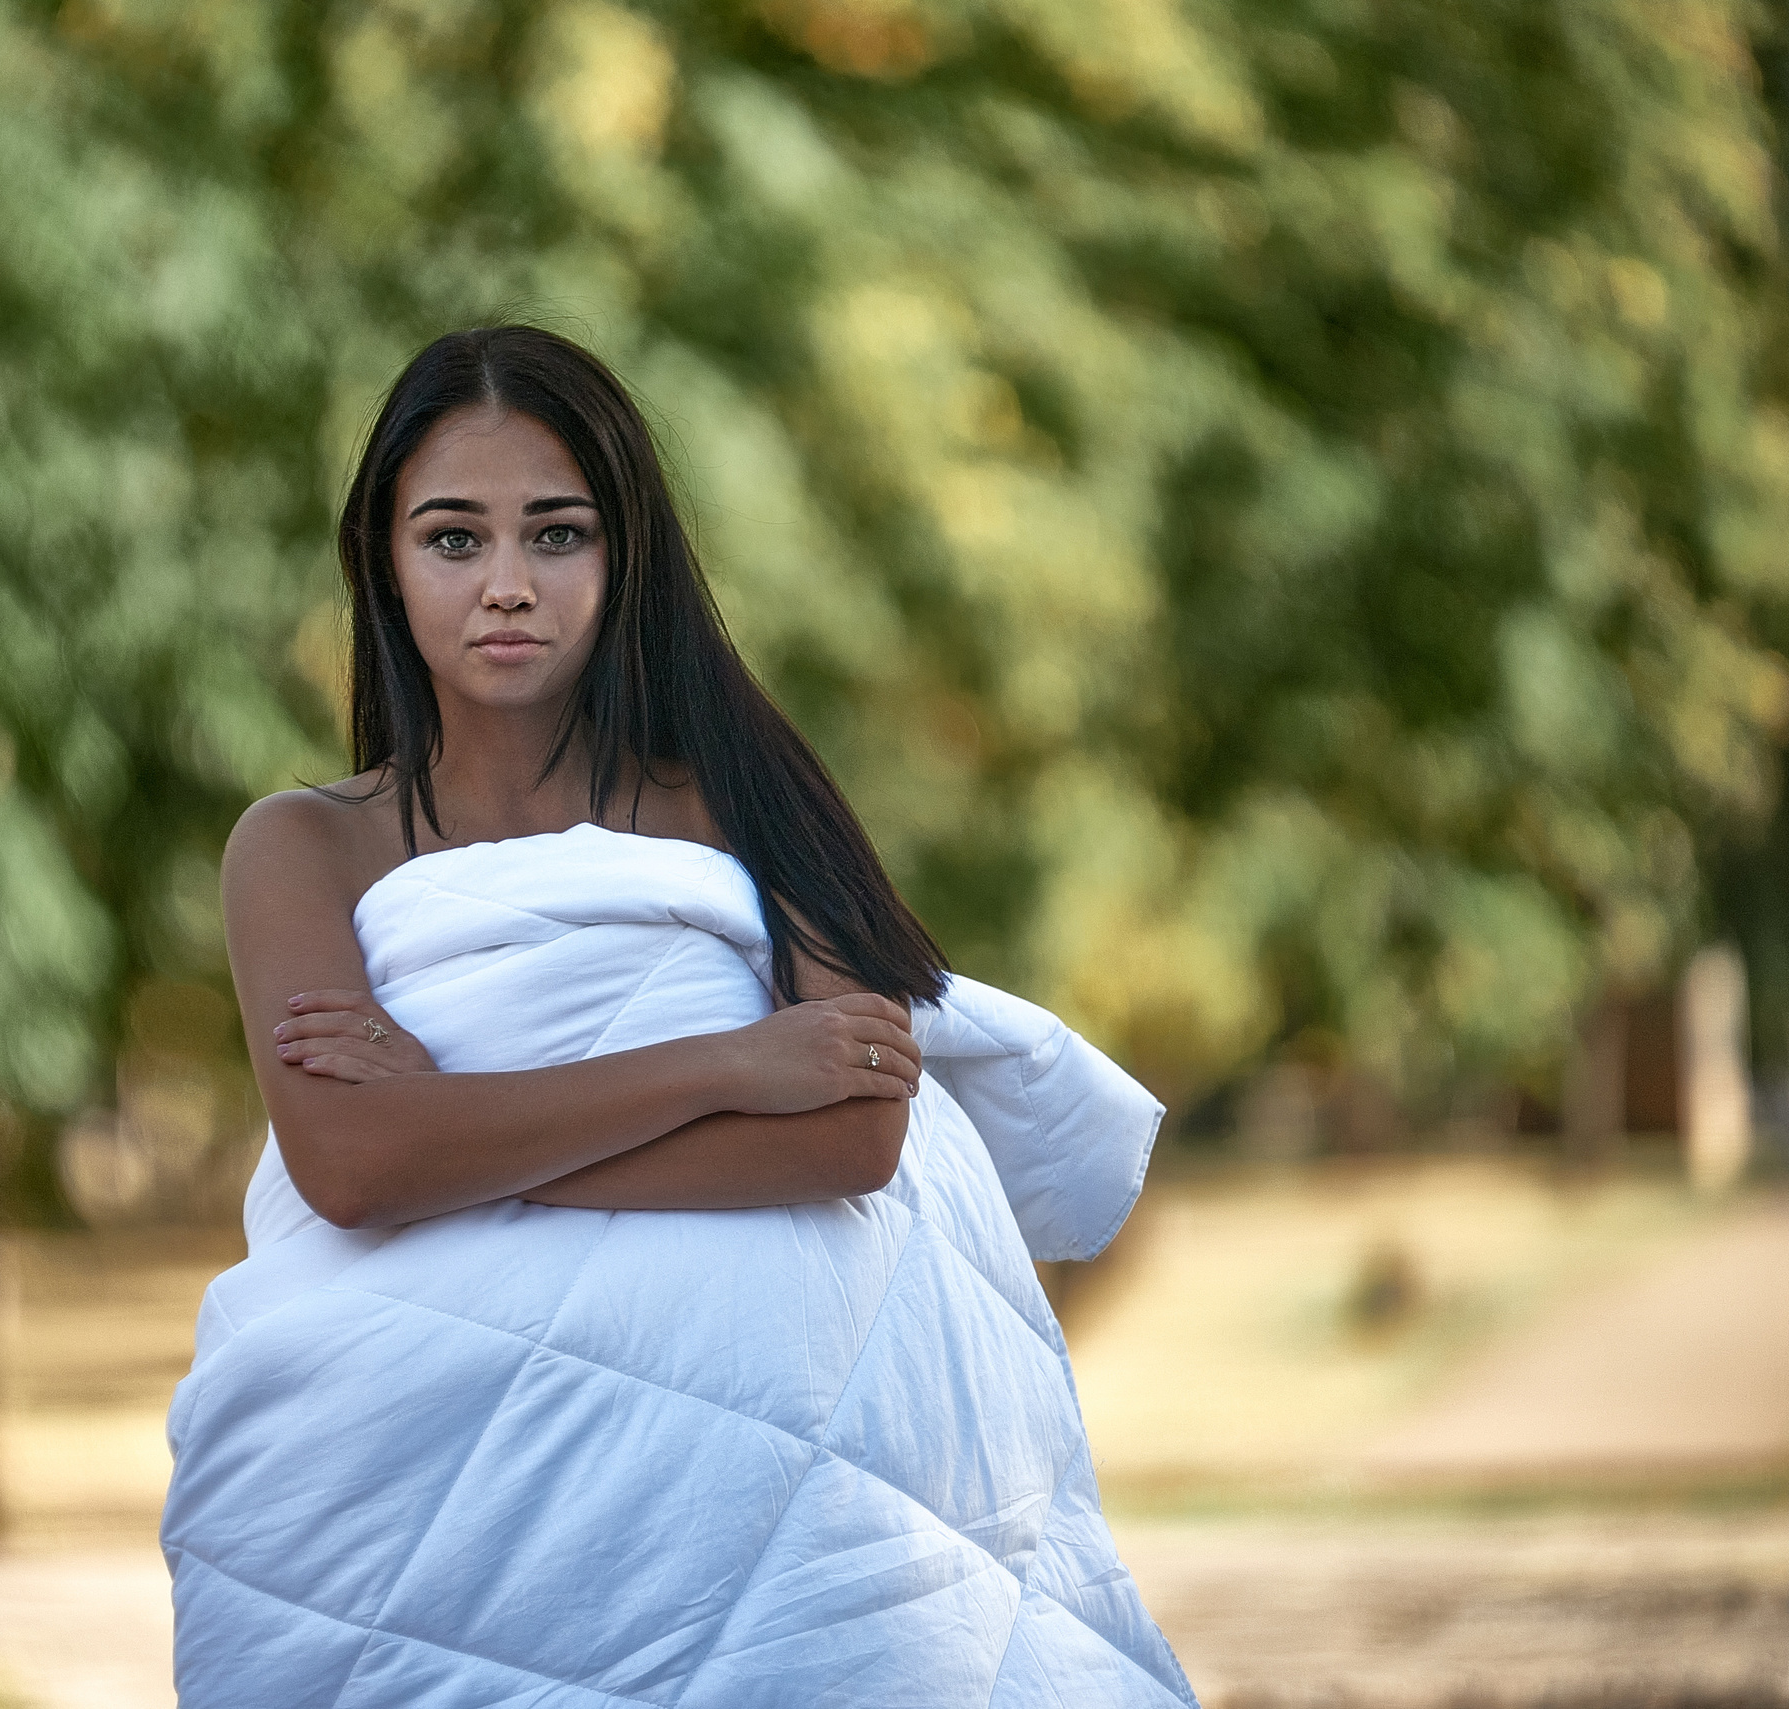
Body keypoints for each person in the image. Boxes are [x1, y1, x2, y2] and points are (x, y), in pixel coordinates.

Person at [162, 326, 1196, 1707]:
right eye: (454, 540)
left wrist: (454, 1133)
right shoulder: (301, 846)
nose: (509, 586)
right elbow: (349, 1168)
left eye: (559, 533)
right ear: (382, 563)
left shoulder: (740, 791)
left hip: (774, 1485)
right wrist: (730, 1061)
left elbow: (853, 1137)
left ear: (625, 552)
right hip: (405, 1449)